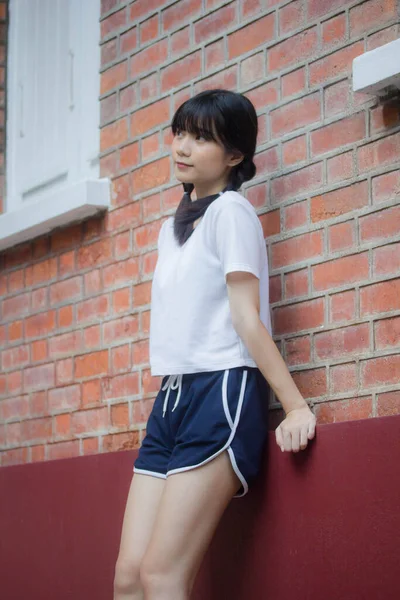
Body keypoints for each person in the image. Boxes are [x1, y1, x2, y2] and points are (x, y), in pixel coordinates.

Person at [113, 89, 316, 600]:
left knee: (162, 576)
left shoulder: (232, 212)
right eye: (180, 132)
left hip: (221, 390)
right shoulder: (171, 229)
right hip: (173, 397)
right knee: (128, 578)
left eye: (201, 137)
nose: (182, 145)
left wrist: (294, 407)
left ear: (234, 156)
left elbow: (246, 318)